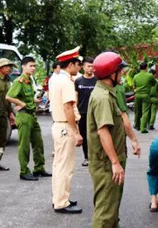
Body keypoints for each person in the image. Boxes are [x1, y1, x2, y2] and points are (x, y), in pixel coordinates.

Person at [87, 52, 129, 228]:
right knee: (104, 205)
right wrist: (114, 162)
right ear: (111, 73)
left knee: (112, 203)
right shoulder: (102, 97)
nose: (122, 73)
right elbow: (103, 132)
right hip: (105, 161)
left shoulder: (108, 92)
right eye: (120, 70)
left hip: (112, 159)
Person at [6, 57, 51, 181]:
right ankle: (24, 171)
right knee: (24, 145)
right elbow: (9, 96)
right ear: (23, 67)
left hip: (32, 115)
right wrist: (22, 103)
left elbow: (27, 98)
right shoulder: (19, 81)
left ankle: (39, 168)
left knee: (38, 143)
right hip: (24, 116)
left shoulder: (29, 81)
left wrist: (35, 101)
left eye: (34, 66)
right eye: (31, 66)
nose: (33, 68)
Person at [50, 47, 83, 214]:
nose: (79, 68)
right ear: (70, 64)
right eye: (78, 64)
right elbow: (69, 108)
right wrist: (76, 132)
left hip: (58, 125)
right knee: (65, 167)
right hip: (65, 126)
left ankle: (58, 198)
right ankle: (62, 202)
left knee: (58, 165)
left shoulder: (55, 79)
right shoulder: (67, 82)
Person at [113, 65, 141, 228]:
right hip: (116, 143)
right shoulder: (118, 89)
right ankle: (113, 226)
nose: (123, 73)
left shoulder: (100, 88)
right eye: (120, 70)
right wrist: (134, 140)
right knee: (116, 188)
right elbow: (124, 118)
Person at [75, 57, 97, 167]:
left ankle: (96, 157)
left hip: (95, 113)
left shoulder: (97, 80)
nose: (91, 68)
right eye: (88, 66)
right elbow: (76, 97)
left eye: (92, 66)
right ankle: (87, 157)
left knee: (96, 135)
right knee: (84, 136)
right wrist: (76, 113)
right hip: (82, 113)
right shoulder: (78, 81)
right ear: (83, 67)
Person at [0, 59, 16, 171]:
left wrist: (11, 113)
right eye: (7, 66)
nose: (9, 68)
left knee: (2, 140)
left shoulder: (7, 81)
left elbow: (8, 100)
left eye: (10, 66)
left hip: (3, 114)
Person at [133, 61, 156, 133]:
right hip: (146, 95)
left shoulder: (135, 76)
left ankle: (137, 125)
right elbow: (154, 84)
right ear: (146, 68)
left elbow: (134, 87)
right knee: (145, 111)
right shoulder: (150, 75)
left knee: (137, 111)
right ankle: (143, 128)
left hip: (137, 95)